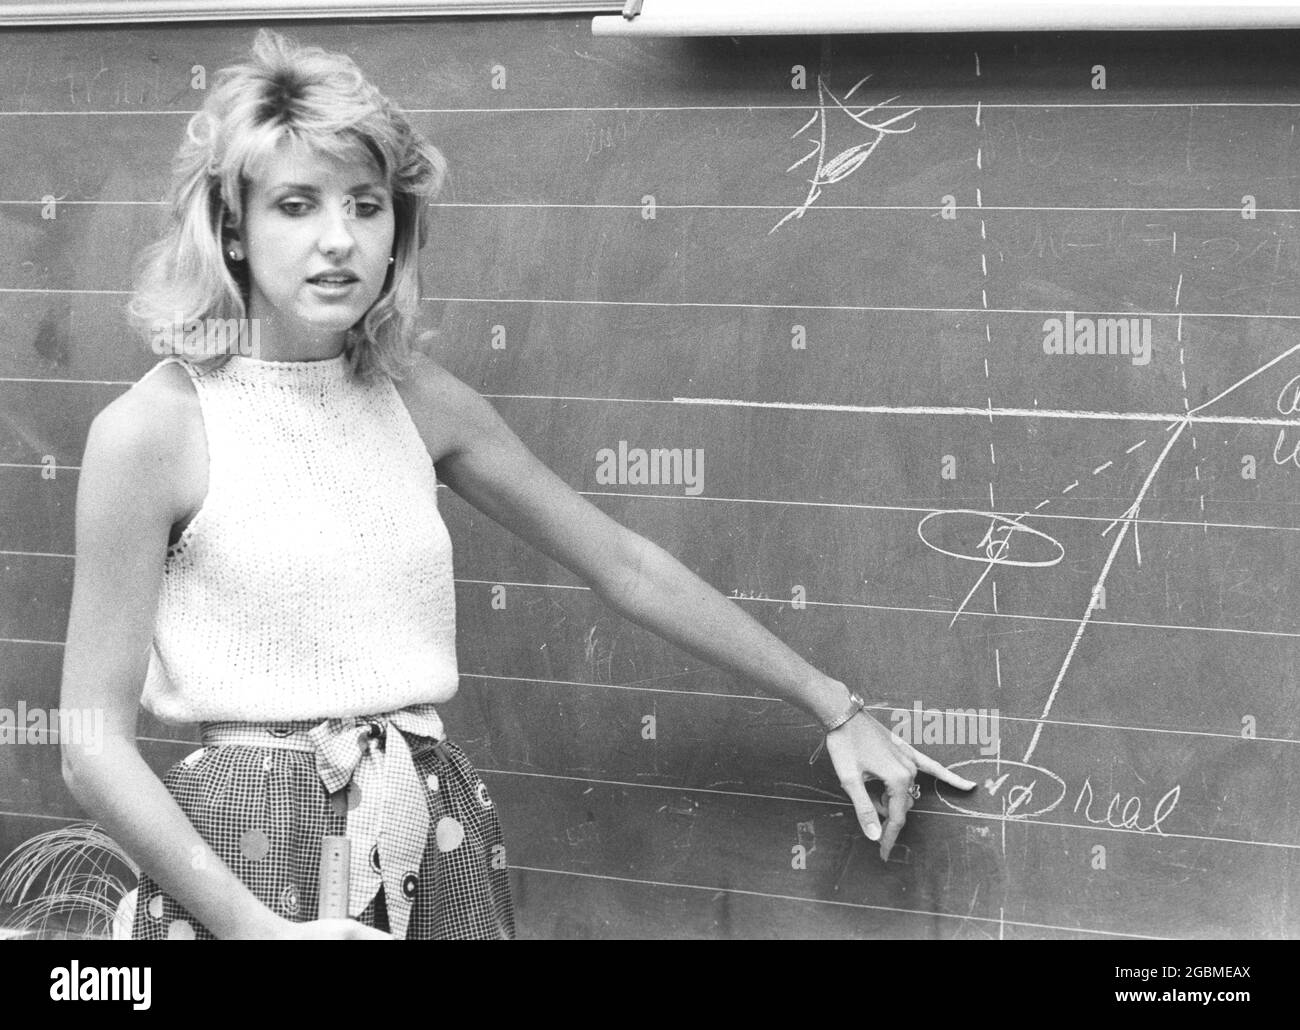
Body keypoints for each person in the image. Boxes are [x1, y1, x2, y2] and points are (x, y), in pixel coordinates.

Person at [58, 28, 976, 941]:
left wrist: (833, 705)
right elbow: (91, 748)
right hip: (242, 862)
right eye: (296, 205)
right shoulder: (153, 431)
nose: (337, 240)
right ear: (232, 225)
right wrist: (255, 929)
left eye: (367, 206)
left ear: (397, 229)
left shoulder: (415, 397)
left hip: (432, 833)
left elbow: (624, 564)